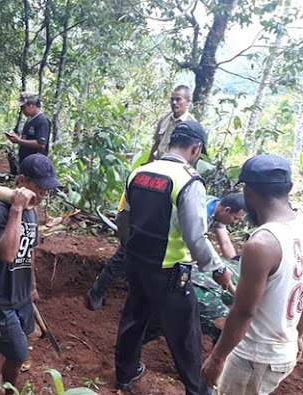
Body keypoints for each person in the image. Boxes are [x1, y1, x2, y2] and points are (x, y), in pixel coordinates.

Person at [114, 121, 232, 394]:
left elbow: (122, 218)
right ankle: (199, 390)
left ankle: (125, 374)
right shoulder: (189, 181)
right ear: (196, 148)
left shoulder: (138, 173)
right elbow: (195, 236)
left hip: (137, 262)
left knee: (134, 317)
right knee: (185, 334)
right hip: (169, 270)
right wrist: (217, 269)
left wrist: (130, 248)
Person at [202, 154, 303, 395]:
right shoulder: (299, 227)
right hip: (282, 348)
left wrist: (217, 358)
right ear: (289, 188)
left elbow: (244, 311)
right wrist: (299, 334)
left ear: (247, 192)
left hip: (255, 356)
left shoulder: (263, 243)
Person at [0, 153, 61, 390]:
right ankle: (5, 390)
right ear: (22, 181)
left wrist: (31, 286)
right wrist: (17, 210)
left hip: (20, 294)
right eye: (40, 187)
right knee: (18, 354)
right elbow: (7, 254)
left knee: (2, 343)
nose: (44, 194)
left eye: (47, 188)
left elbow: (29, 250)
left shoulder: (32, 210)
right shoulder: (2, 211)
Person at [86, 192, 245, 310]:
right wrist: (232, 288)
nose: (234, 223)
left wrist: (235, 264)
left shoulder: (216, 209)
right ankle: (96, 292)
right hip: (150, 230)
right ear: (227, 210)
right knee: (123, 259)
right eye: (235, 219)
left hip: (168, 237)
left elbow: (224, 242)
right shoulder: (201, 212)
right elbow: (196, 243)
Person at [148, 85, 196, 161]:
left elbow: (193, 153)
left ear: (188, 101)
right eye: (172, 99)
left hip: (175, 168)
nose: (174, 103)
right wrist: (148, 162)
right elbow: (157, 143)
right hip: (158, 163)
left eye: (178, 99)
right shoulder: (164, 117)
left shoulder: (192, 125)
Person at [5, 92, 51, 165]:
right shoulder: (29, 119)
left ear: (32, 105)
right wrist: (16, 139)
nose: (22, 111)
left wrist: (19, 140)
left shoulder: (42, 121)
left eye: (23, 107)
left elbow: (41, 144)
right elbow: (28, 138)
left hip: (36, 163)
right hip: (26, 161)